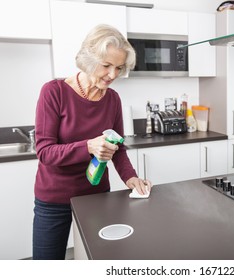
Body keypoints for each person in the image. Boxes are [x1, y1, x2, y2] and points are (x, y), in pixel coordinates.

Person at [33, 24, 152, 260]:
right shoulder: (53, 92)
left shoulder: (113, 99)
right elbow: (45, 152)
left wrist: (131, 178)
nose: (113, 75)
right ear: (88, 59)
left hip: (96, 196)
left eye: (119, 67)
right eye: (106, 65)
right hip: (54, 199)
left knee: (97, 260)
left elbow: (117, 149)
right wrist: (88, 146)